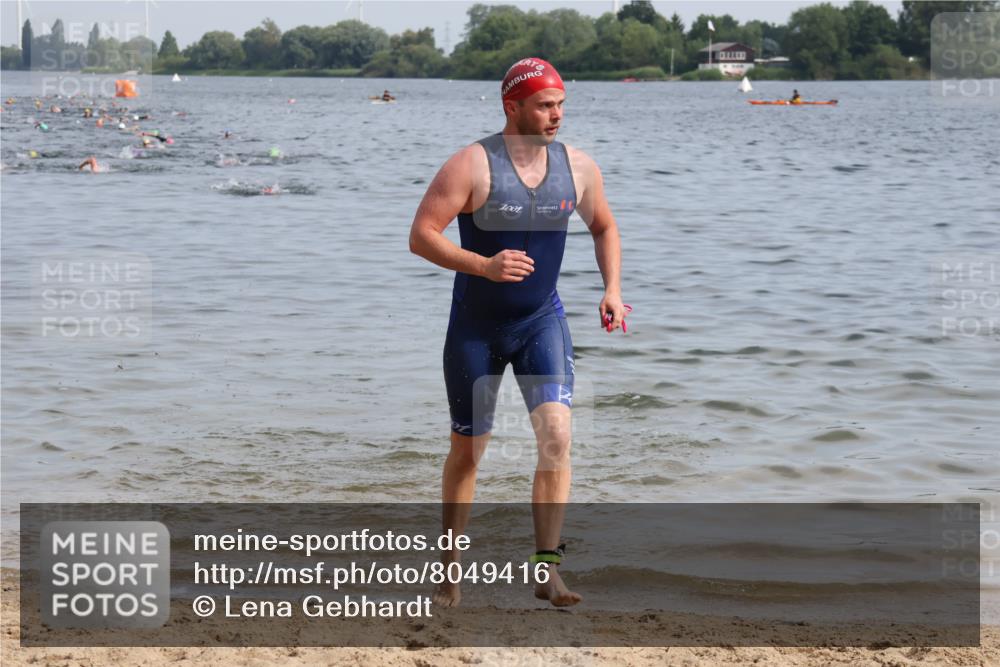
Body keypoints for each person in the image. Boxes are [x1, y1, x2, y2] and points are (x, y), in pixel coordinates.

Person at [409, 57, 626, 609]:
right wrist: (482, 265)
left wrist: (612, 290)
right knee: (468, 453)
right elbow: (422, 236)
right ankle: (451, 569)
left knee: (557, 438)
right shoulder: (471, 165)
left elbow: (603, 226)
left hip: (540, 322)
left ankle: (548, 570)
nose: (557, 116)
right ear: (513, 107)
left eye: (561, 106)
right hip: (476, 329)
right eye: (545, 106)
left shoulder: (577, 168)